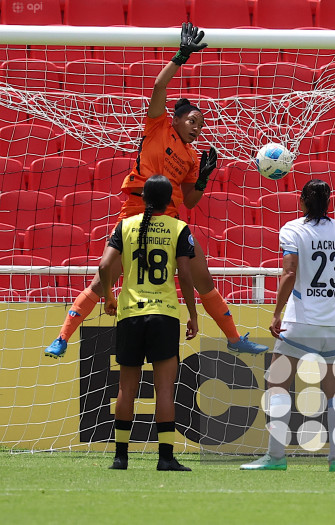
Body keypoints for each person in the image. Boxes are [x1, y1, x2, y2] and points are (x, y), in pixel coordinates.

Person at [45, 22, 267, 358]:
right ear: (175, 119)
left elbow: (190, 201)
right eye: (192, 121)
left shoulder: (192, 157)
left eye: (201, 125)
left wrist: (203, 180)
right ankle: (62, 337)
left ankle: (234, 338)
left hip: (171, 220)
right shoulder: (157, 125)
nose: (197, 128)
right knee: (102, 281)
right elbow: (159, 85)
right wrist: (181, 56)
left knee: (204, 279)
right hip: (135, 212)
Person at [241, 180, 335, 472]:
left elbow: (289, 271)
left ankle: (276, 456)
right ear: (328, 202)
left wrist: (276, 313)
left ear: (302, 201)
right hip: (334, 324)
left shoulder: (293, 229)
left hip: (300, 323)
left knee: (278, 386)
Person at [100, 175, 196, 471]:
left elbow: (104, 266)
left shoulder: (125, 226)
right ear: (170, 200)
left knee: (126, 389)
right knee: (164, 390)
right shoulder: (178, 228)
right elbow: (185, 275)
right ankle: (165, 458)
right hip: (164, 314)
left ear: (143, 198)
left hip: (131, 314)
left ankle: (120, 457)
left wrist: (109, 297)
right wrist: (193, 314)